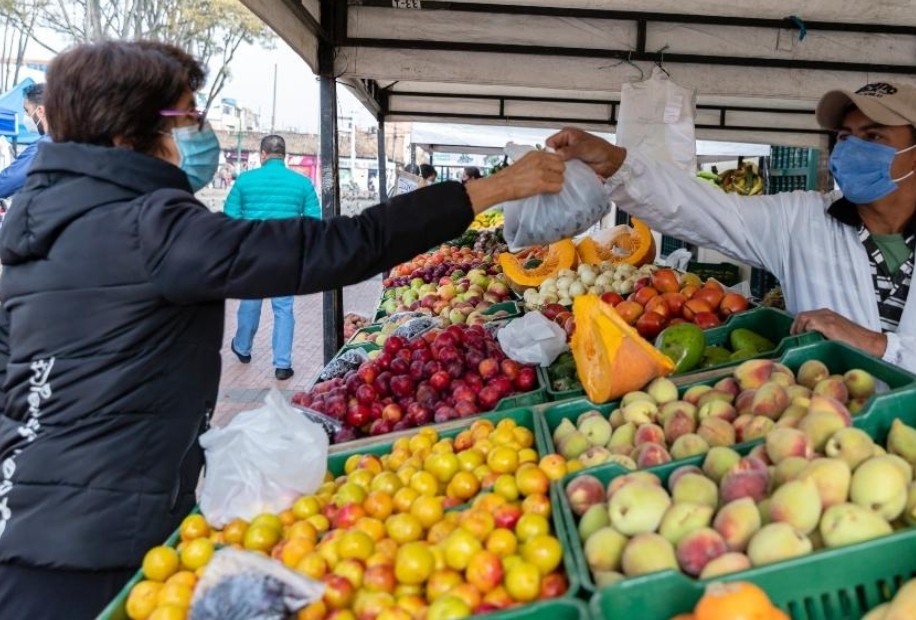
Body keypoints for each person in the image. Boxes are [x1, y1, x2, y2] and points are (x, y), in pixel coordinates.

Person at [0, 40, 564, 617]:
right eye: (187, 115)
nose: (199, 132)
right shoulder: (147, 227)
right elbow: (333, 249)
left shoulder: (41, 221)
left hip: (30, 521)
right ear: (129, 131)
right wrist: (489, 190)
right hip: (93, 547)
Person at [547, 81, 916, 410]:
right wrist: (615, 163)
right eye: (844, 135)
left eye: (873, 135)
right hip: (824, 445)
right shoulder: (803, 220)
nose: (850, 149)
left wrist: (877, 345)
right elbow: (702, 208)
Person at [225, 134, 321, 381]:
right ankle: (282, 364)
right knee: (284, 308)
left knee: (250, 302)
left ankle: (243, 348)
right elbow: (313, 223)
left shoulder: (245, 181)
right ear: (285, 156)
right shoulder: (302, 183)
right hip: (286, 254)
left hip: (253, 253)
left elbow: (230, 218)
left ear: (262, 154)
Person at [0, 83, 49, 200]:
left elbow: (7, 182)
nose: (26, 117)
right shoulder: (73, 139)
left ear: (40, 111)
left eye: (27, 111)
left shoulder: (44, 147)